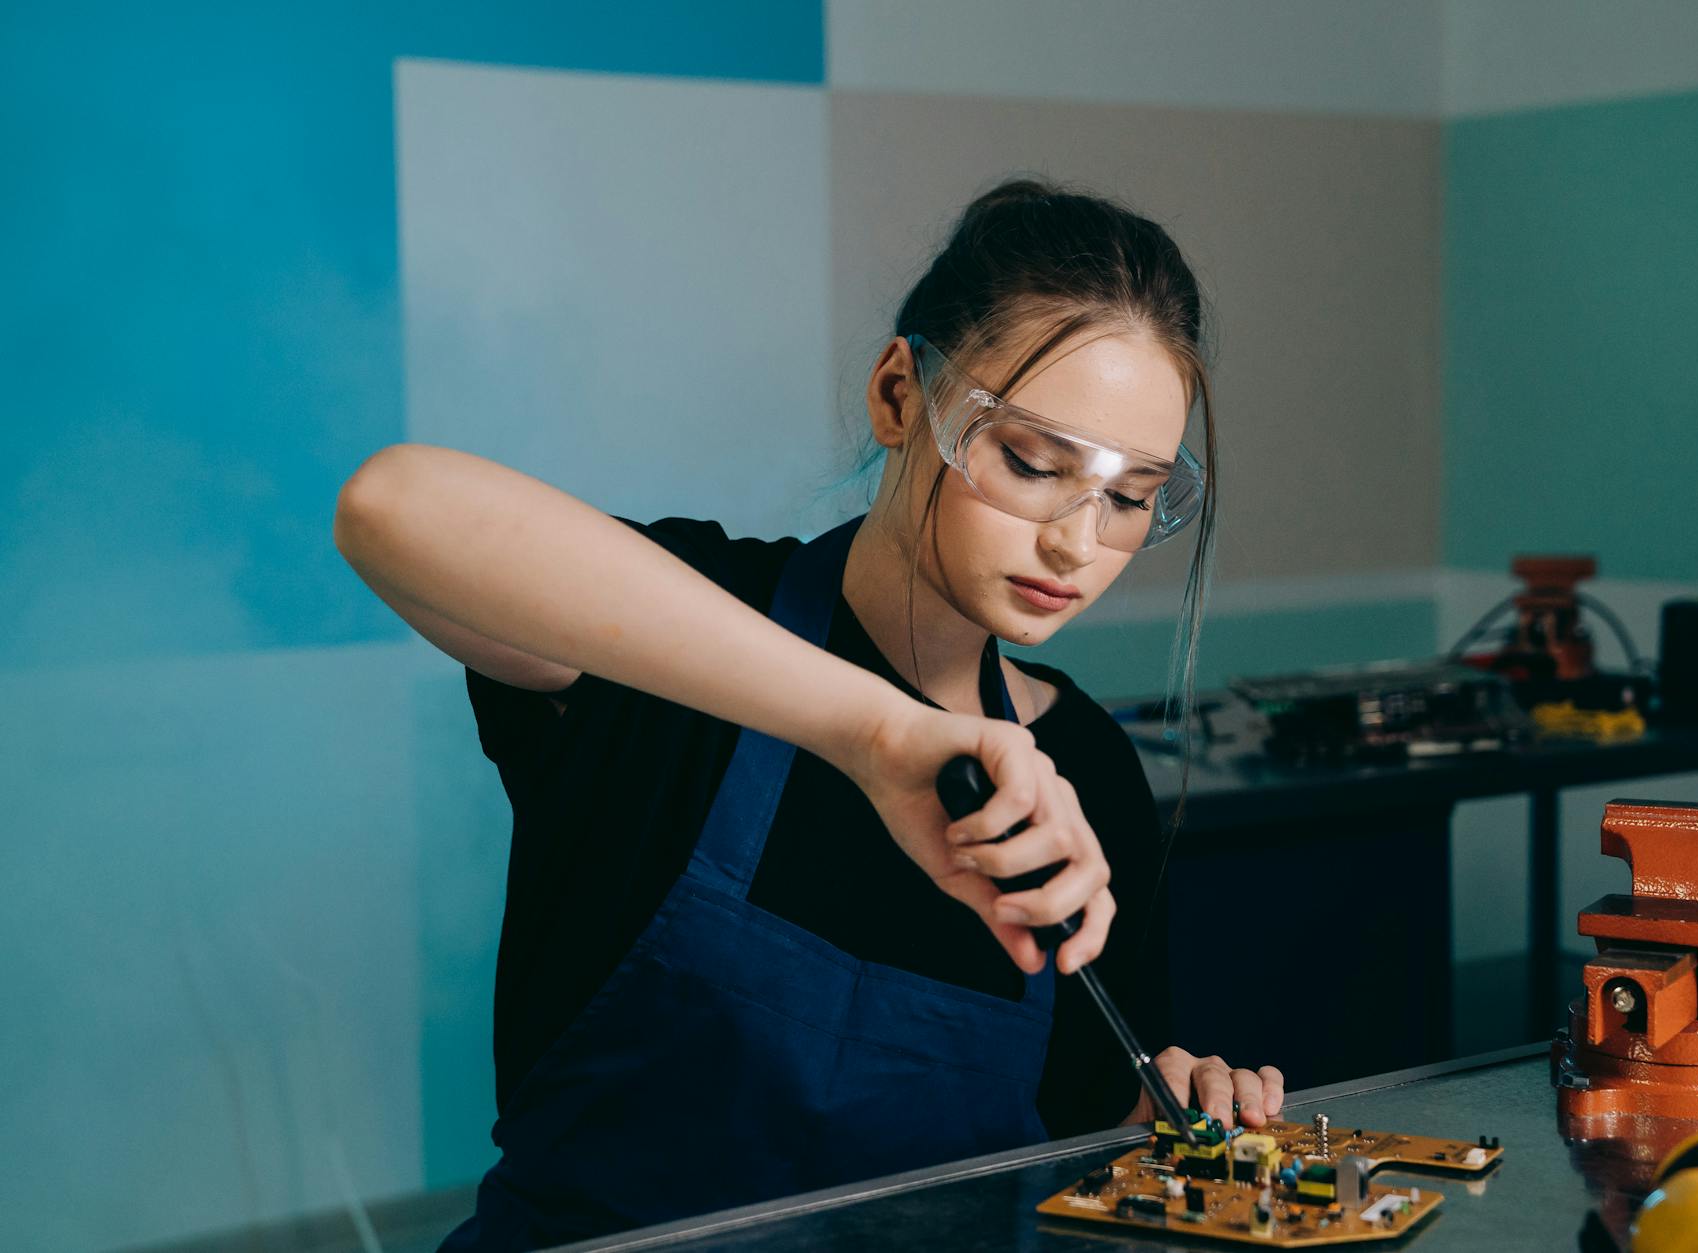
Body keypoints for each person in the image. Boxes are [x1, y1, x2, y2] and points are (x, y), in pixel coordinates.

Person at [334, 179, 1283, 1250]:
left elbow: (1077, 1120)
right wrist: (875, 733)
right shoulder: (679, 631)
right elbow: (392, 507)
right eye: (1030, 461)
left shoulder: (1082, 767)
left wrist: (1164, 1104)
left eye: (1128, 495)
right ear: (895, 394)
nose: (1076, 542)